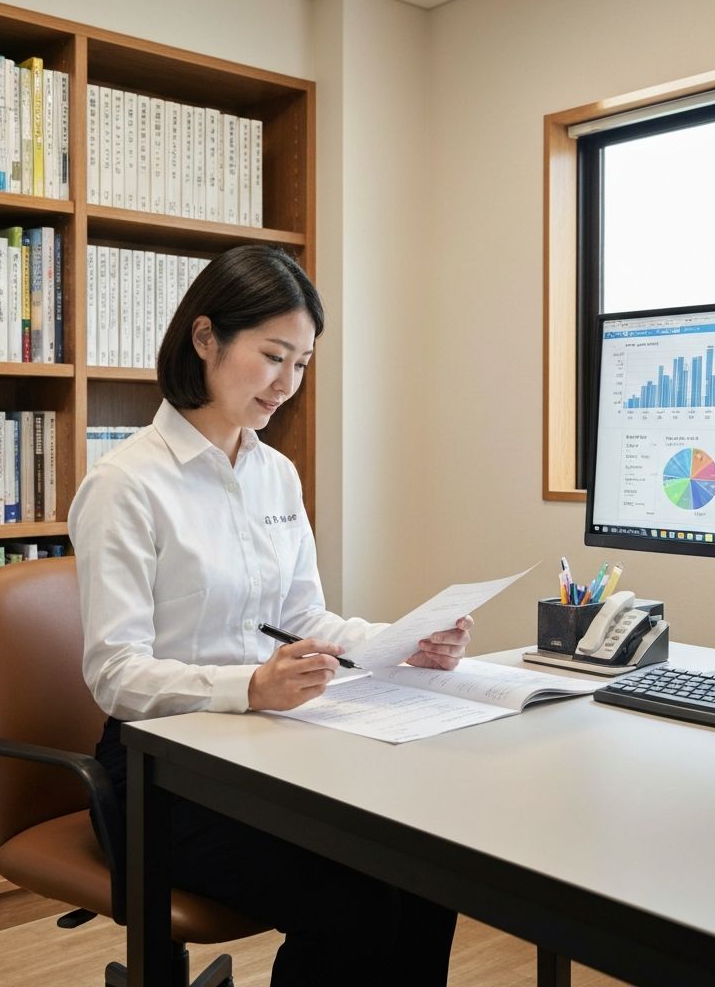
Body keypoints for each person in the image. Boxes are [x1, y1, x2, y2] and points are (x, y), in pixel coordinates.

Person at [68, 244, 473, 987]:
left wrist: (399, 644)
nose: (288, 384)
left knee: (421, 868)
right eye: (273, 356)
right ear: (205, 338)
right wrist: (249, 688)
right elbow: (115, 676)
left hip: (269, 750)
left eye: (303, 364)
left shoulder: (275, 472)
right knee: (355, 899)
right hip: (164, 772)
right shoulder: (125, 484)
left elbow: (301, 615)